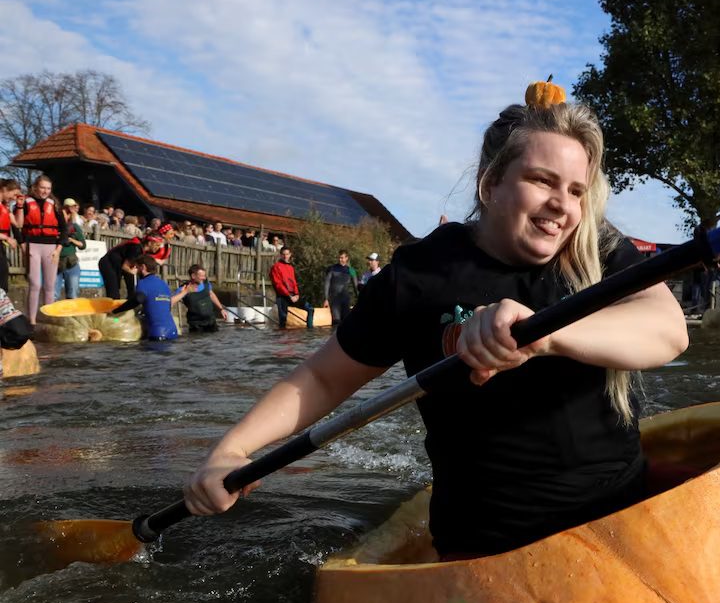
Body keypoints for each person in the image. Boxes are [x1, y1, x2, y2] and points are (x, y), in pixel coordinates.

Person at [184, 90, 688, 558]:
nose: (563, 206)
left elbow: (668, 330)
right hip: (488, 542)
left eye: (577, 190)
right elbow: (323, 377)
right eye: (542, 180)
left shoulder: (596, 249)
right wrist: (233, 448)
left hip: (622, 512)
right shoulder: (421, 273)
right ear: (491, 183)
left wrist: (547, 335)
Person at [14, 174, 62, 323]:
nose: (45, 191)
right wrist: (22, 243)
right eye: (42, 187)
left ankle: (49, 319)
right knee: (35, 284)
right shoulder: (25, 203)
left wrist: (58, 248)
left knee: (50, 285)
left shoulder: (53, 204)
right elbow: (16, 225)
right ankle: (32, 321)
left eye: (48, 188)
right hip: (32, 245)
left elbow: (64, 229)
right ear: (35, 187)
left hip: (51, 248)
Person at [110, 255, 178, 340]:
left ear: (143, 267)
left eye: (136, 268)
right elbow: (163, 306)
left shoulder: (143, 282)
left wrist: (116, 311)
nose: (135, 271)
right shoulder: (163, 284)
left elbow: (138, 299)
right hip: (173, 331)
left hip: (158, 334)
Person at [171, 263, 229, 332]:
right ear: (193, 276)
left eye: (204, 276)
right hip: (196, 326)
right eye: (201, 276)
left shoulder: (206, 285)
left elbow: (212, 295)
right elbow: (171, 301)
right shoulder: (184, 288)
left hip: (211, 323)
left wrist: (221, 309)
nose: (204, 278)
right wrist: (185, 292)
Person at [269, 246, 312, 328]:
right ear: (280, 255)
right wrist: (289, 295)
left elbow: (294, 283)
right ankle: (281, 338)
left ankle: (310, 333)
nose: (285, 256)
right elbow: (278, 285)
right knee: (283, 318)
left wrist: (297, 294)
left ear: (290, 255)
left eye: (287, 254)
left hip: (293, 295)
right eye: (283, 254)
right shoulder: (276, 267)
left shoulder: (290, 267)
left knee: (310, 309)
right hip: (282, 296)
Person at [56, 198, 85, 300]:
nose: (66, 213)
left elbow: (83, 245)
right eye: (65, 210)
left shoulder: (74, 226)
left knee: (72, 296)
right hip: (56, 264)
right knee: (53, 295)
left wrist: (72, 240)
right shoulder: (55, 226)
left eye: (70, 211)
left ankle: (71, 316)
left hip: (71, 264)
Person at [322, 250, 358, 325]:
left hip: (345, 299)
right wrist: (326, 299)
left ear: (346, 258)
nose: (340, 260)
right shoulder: (332, 269)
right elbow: (327, 284)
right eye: (339, 258)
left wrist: (359, 299)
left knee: (346, 322)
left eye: (342, 258)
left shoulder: (351, 270)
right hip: (335, 300)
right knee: (336, 322)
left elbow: (356, 286)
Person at [0, 179, 21, 292]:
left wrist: (20, 207)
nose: (14, 198)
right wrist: (7, 238)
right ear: (4, 189)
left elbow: (18, 224)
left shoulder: (5, 207)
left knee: (3, 283)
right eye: (14, 194)